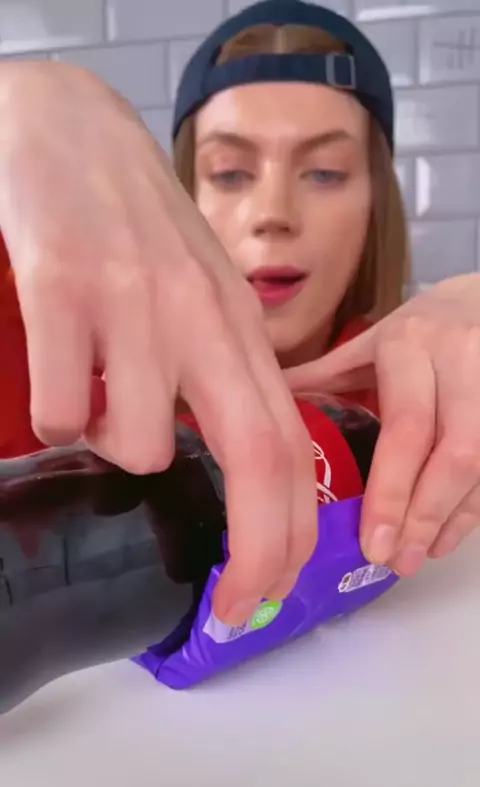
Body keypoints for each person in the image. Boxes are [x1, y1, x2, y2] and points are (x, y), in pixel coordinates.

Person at [0, 0, 477, 628]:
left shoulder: (428, 408)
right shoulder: (41, 335)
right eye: (229, 174)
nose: (273, 212)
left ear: (375, 208)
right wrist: (24, 97)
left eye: (325, 173)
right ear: (176, 195)